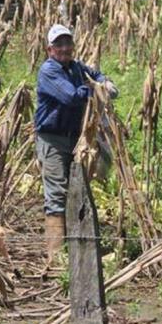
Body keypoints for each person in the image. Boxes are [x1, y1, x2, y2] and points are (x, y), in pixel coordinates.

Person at [34, 24, 117, 265]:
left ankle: (79, 250)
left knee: (78, 190)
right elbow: (71, 96)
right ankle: (56, 258)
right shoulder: (49, 70)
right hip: (53, 140)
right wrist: (97, 90)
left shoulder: (76, 67)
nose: (64, 48)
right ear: (49, 49)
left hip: (76, 140)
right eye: (59, 44)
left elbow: (97, 75)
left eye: (68, 43)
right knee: (56, 195)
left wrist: (105, 82)